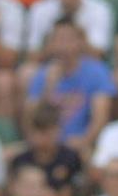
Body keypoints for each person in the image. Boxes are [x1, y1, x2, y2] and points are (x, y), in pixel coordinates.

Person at [26, 17, 112, 155]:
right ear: (51, 44)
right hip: (46, 145)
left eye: (68, 39)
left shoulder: (97, 72)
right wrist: (49, 87)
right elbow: (31, 120)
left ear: (80, 42)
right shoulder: (43, 75)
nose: (63, 45)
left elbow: (101, 118)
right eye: (58, 39)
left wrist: (84, 140)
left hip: (80, 144)